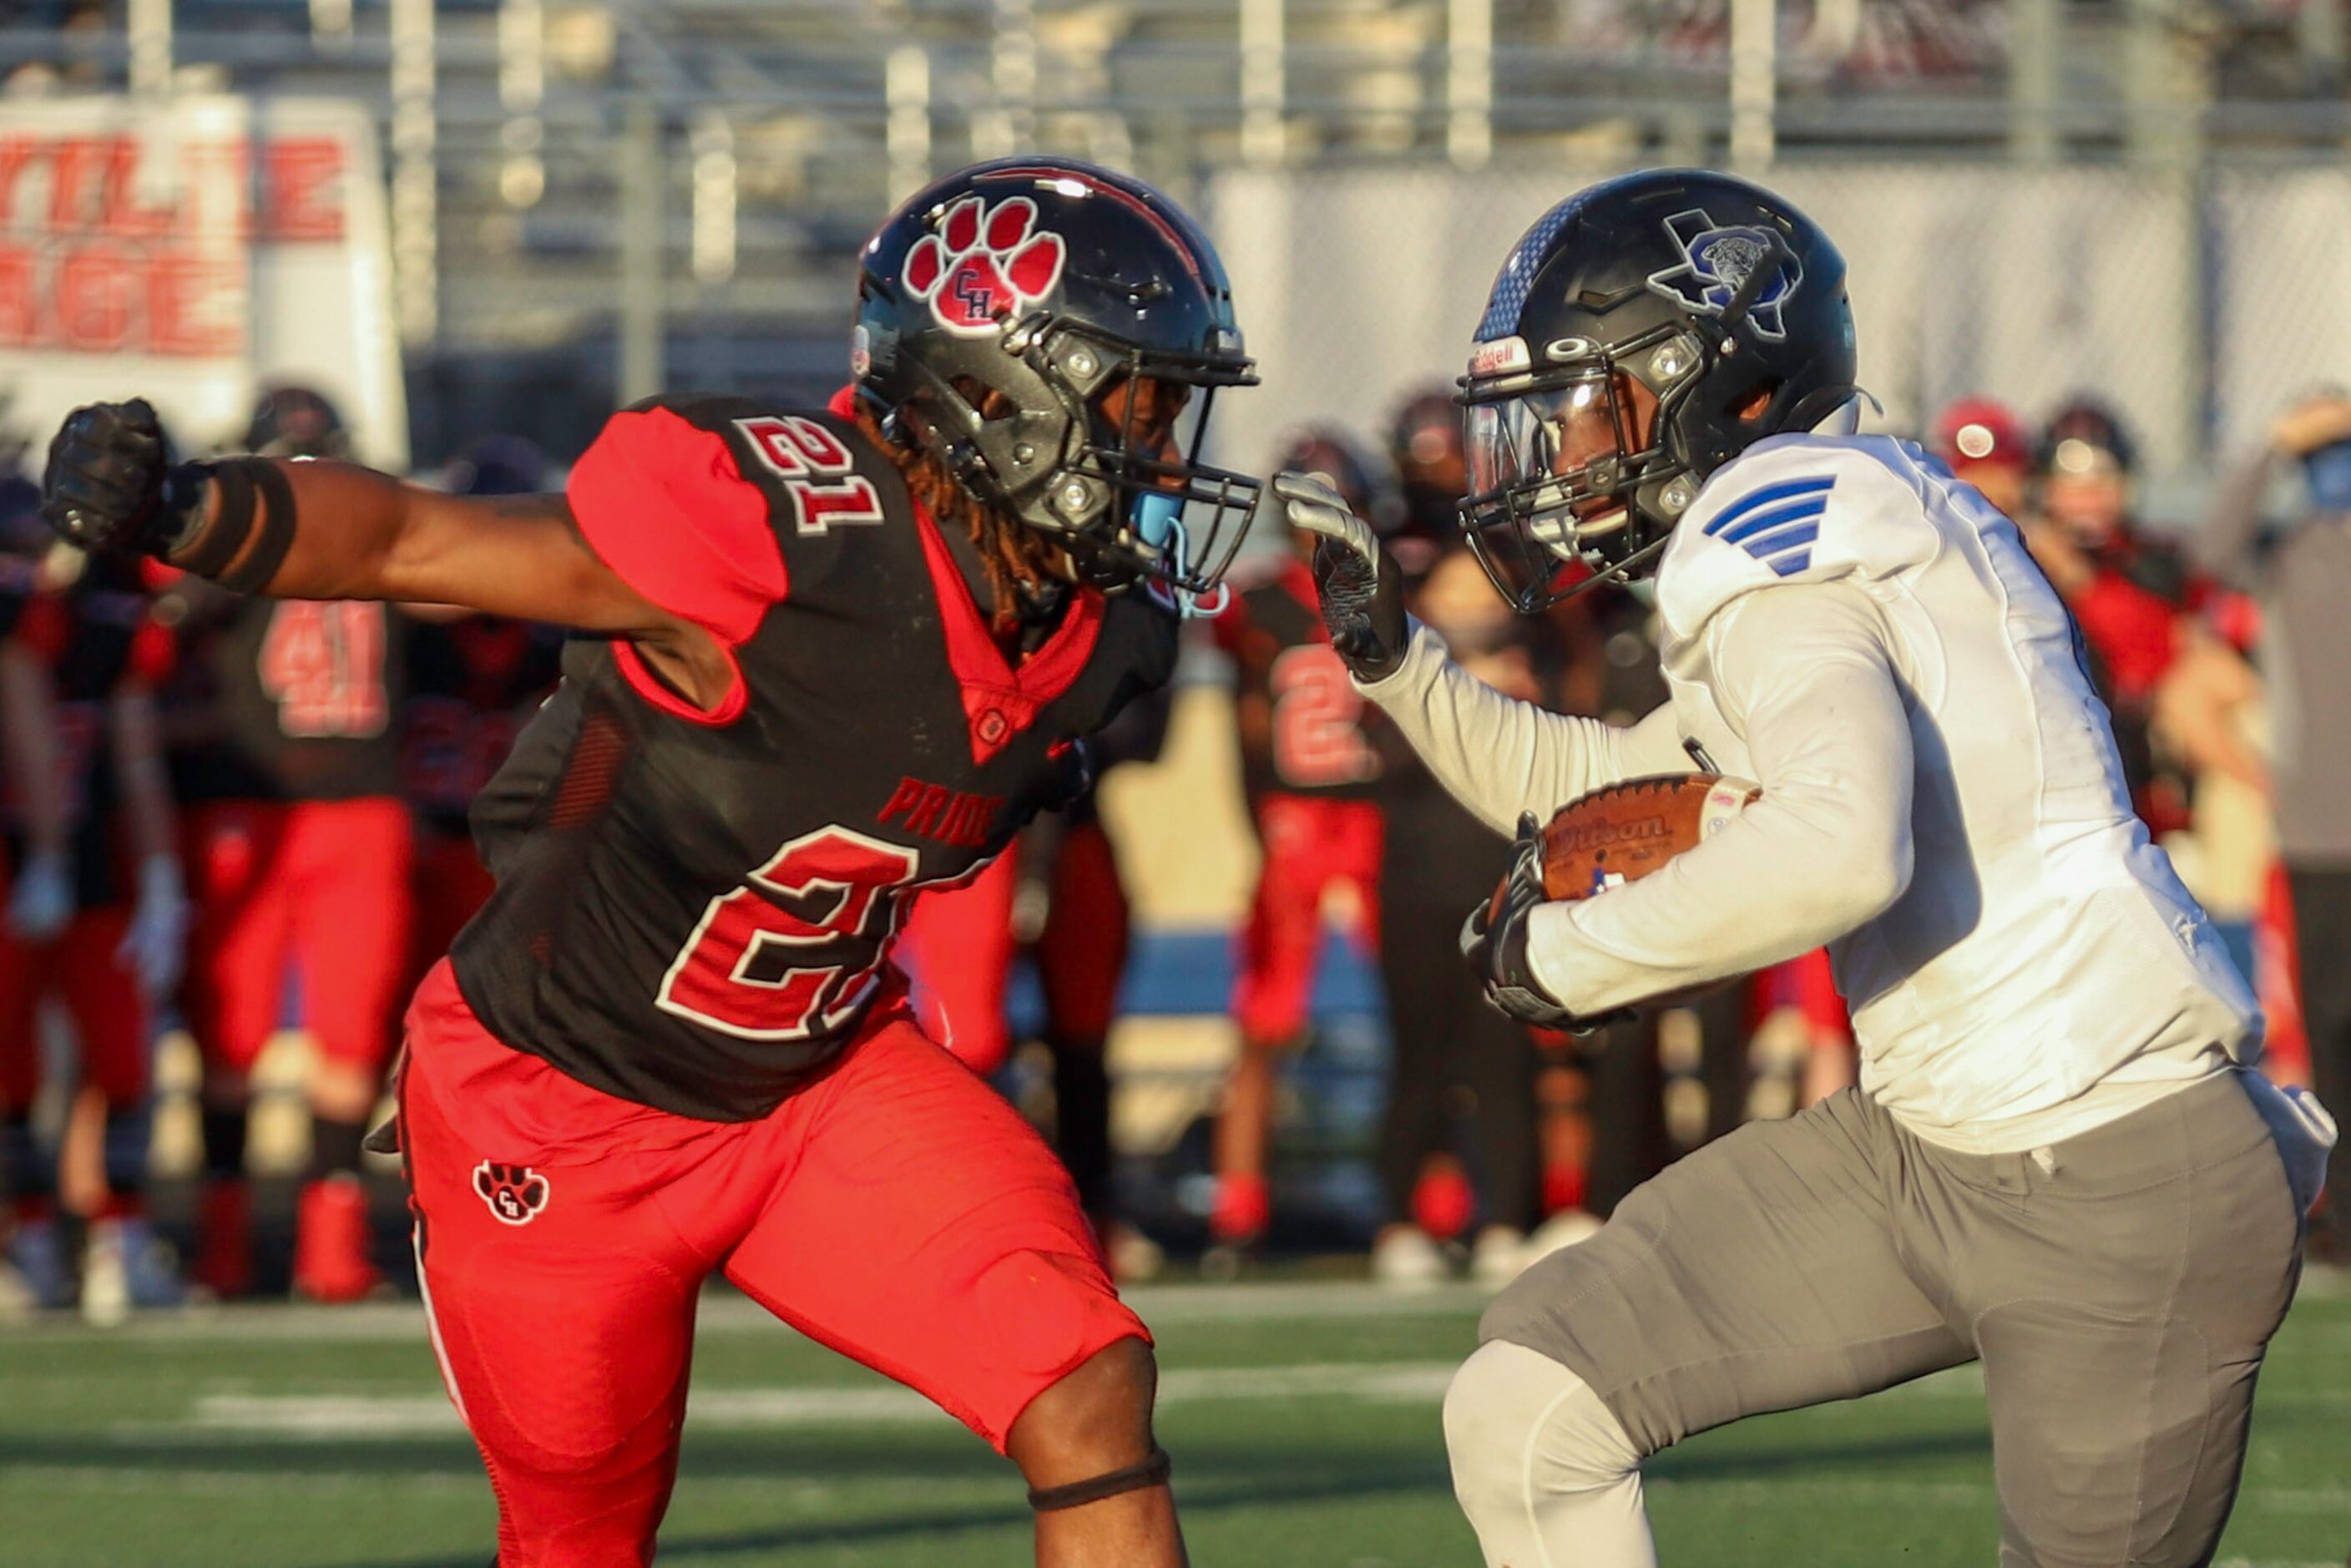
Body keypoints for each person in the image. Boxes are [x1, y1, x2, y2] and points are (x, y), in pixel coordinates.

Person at [40, 154, 1255, 1568]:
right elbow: (430, 541)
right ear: (996, 387)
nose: (1168, 454)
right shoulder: (779, 531)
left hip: (818, 1088)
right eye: (1144, 403)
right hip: (556, 1110)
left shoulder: (1095, 622)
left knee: (1086, 1380)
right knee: (580, 1536)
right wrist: (189, 508)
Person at [1275, 167, 2333, 1567]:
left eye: (1583, 400)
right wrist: (1396, 665)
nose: (1552, 450)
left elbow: (1839, 846)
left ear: (1716, 382)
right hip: (1928, 1144)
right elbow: (1609, 790)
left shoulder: (1779, 522)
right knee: (1533, 1395)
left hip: (2113, 1170)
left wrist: (1567, 956)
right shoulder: (1836, 520)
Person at [159, 385, 414, 1302]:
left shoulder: (239, 557)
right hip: (278, 810)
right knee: (246, 1033)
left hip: (321, 809)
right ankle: (275, 1248)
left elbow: (167, 637)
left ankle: (300, 1249)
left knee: (325, 1038)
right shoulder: (384, 539)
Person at [1203, 427, 1387, 1258]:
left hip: (1349, 815)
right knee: (1264, 1019)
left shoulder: (1290, 600)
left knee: (1430, 1007)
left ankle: (1438, 1194)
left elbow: (1245, 723)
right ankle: (1238, 1206)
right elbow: (1244, 724)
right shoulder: (1270, 605)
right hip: (1309, 818)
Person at [0, 527, 187, 1323]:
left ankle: (119, 1236)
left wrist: (159, 877)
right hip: (17, 863)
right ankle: (29, 1237)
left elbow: (136, 760)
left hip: (91, 867)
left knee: (121, 1060)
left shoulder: (103, 632)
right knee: (11, 1065)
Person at [2191, 387, 2351, 1262]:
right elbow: (2213, 546)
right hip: (2323, 829)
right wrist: (2272, 442)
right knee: (2330, 1021)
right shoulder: (2295, 553)